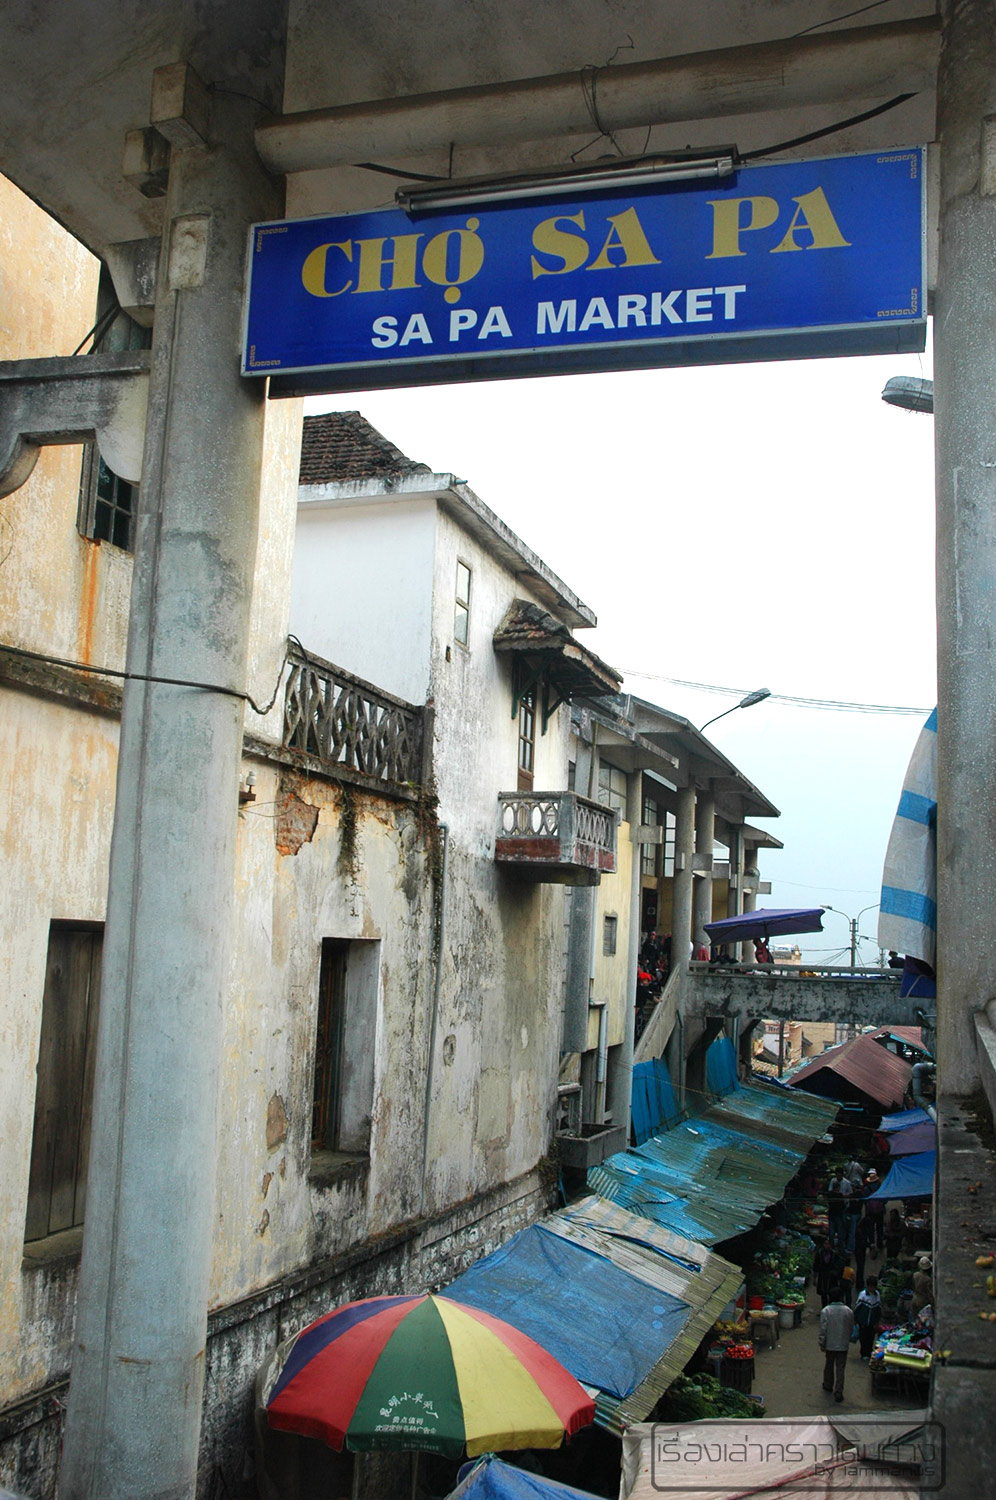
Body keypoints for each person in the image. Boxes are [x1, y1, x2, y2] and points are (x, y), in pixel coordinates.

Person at [819, 1286, 855, 1401]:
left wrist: (822, 1342)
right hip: (843, 1344)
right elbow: (851, 1327)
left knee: (829, 1365)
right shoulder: (848, 1311)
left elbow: (823, 1329)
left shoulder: (826, 1311)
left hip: (830, 1343)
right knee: (840, 1368)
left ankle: (828, 1384)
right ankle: (839, 1391)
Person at [854, 1276, 883, 1360]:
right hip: (863, 1321)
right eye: (870, 1286)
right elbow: (858, 1307)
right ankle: (864, 1353)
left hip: (872, 1321)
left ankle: (869, 1352)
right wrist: (855, 1318)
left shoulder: (877, 1295)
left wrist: (877, 1320)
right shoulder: (863, 1294)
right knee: (863, 1337)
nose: (871, 1288)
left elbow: (878, 1308)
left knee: (871, 1337)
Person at [826, 1166, 852, 1251]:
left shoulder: (847, 1183)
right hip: (836, 1213)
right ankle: (836, 1248)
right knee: (836, 1232)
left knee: (837, 1232)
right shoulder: (833, 1182)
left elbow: (850, 1194)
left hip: (839, 1212)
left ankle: (837, 1248)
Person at [862, 1171, 885, 1253]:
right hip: (880, 1211)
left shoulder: (866, 1189)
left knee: (870, 1228)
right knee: (879, 1228)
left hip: (870, 1212)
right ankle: (880, 1243)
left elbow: (864, 1200)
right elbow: (885, 1199)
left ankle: (872, 1243)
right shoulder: (881, 1188)